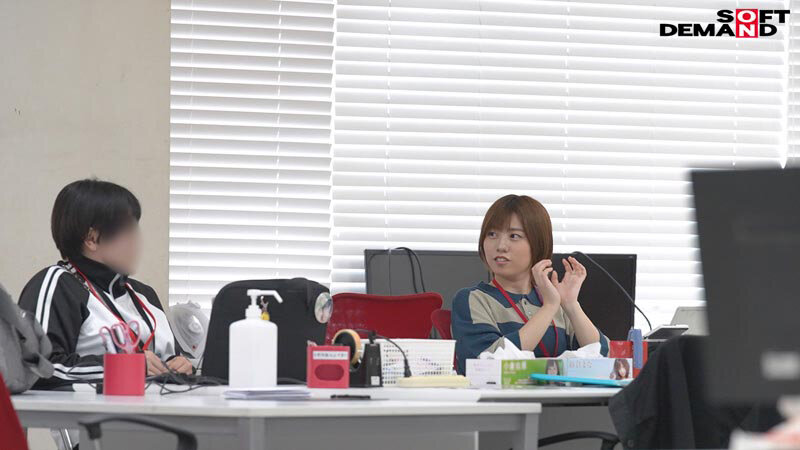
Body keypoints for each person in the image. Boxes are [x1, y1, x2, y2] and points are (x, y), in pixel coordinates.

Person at [18, 179, 192, 389]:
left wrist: (180, 365)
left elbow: (164, 362)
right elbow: (37, 368)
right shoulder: (58, 284)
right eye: (128, 230)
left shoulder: (144, 294)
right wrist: (126, 367)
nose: (138, 241)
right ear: (92, 238)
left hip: (160, 407)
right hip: (88, 410)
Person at [451, 194, 609, 375]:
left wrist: (571, 305)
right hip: (499, 394)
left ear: (537, 243)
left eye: (514, 236)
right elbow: (488, 365)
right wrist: (549, 307)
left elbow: (606, 360)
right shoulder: (473, 299)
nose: (501, 246)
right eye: (492, 234)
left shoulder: (556, 301)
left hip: (560, 394)